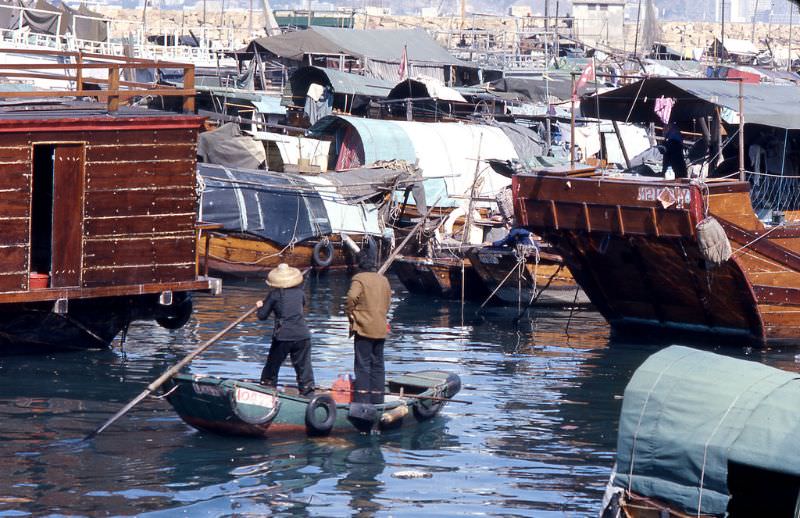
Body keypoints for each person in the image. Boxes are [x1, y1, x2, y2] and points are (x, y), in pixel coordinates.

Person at [256, 263, 315, 396]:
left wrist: (260, 306)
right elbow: (301, 305)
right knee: (304, 368)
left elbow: (262, 316)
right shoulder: (300, 293)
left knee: (271, 368)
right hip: (302, 335)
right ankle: (308, 393)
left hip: (283, 336)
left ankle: (267, 390)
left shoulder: (274, 295)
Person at [345, 246, 392, 405]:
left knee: (362, 365)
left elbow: (351, 297)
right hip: (380, 327)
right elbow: (388, 302)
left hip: (364, 328)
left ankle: (362, 401)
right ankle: (378, 400)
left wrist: (350, 312)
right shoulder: (383, 280)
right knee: (378, 365)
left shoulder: (359, 279)